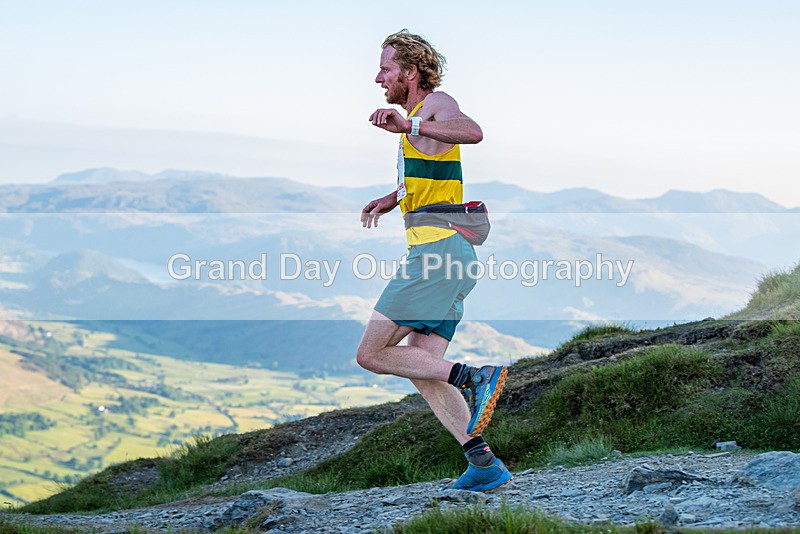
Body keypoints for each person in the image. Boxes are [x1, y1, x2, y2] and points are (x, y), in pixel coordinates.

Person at [357, 30, 512, 492]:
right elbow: (434, 174)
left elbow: (473, 132)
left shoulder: (436, 105)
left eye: (386, 68)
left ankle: (475, 377)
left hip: (437, 255)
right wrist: (392, 198)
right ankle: (483, 463)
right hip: (453, 258)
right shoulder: (419, 121)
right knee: (421, 365)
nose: (378, 77)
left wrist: (413, 127)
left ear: (411, 72)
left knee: (372, 354)